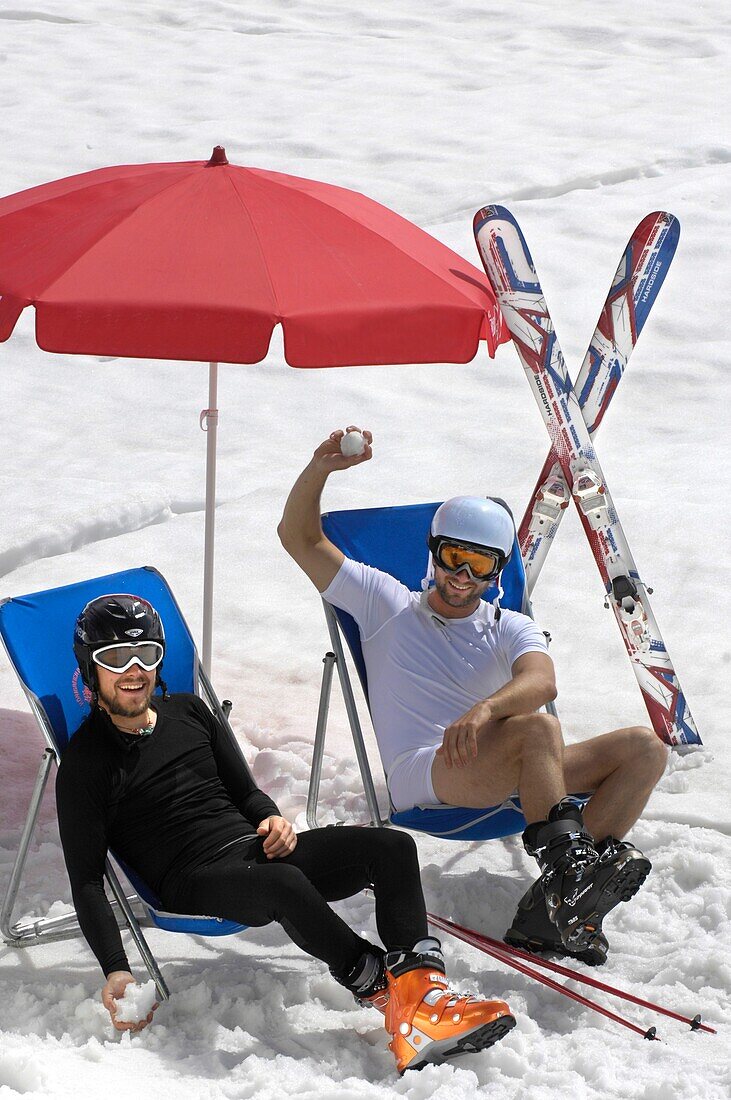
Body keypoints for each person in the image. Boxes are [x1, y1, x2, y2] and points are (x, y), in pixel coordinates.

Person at [56, 593, 516, 1073]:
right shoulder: (86, 764)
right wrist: (115, 968)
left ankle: (422, 997)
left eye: (146, 654)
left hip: (255, 849)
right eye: (115, 658)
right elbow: (87, 879)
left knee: (392, 846)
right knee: (284, 884)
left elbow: (246, 793)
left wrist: (271, 817)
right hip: (192, 878)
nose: (133, 670)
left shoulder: (190, 712)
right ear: (90, 668)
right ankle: (382, 988)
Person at [278, 427, 669, 966]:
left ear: (497, 571)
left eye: (480, 564)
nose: (462, 576)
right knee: (538, 730)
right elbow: (297, 537)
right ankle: (568, 872)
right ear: (433, 552)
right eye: (454, 557)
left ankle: (553, 906)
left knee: (644, 749)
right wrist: (321, 468)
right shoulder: (384, 603)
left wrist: (485, 710)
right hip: (426, 773)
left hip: (505, 765)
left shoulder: (510, 627)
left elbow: (542, 681)